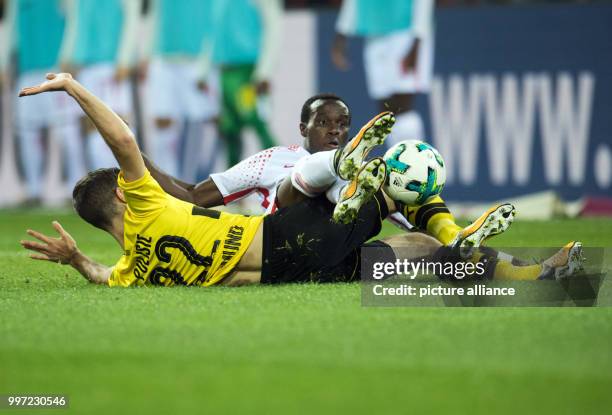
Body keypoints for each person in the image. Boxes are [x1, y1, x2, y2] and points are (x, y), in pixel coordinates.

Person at [19, 74, 582, 286]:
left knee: (418, 250)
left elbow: (102, 274)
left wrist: (75, 261)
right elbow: (125, 142)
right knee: (401, 173)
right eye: (329, 125)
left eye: (343, 125)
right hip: (287, 233)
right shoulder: (147, 201)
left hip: (290, 273)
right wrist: (72, 86)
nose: (335, 127)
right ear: (123, 191)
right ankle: (372, 185)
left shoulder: (131, 271)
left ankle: (524, 275)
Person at [1, 0, 83, 203]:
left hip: (55, 68)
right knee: (27, 130)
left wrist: (69, 55)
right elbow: (11, 27)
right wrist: (3, 64)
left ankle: (76, 186)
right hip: (26, 69)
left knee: (66, 129)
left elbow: (74, 20)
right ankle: (33, 190)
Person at [332, 0, 434, 147]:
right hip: (373, 30)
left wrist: (418, 39)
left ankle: (418, 161)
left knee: (403, 103)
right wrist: (341, 33)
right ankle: (397, 164)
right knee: (386, 109)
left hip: (406, 31)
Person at [198, 0, 282, 168]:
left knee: (257, 123)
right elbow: (211, 30)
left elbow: (274, 27)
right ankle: (231, 185)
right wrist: (203, 70)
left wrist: (264, 72)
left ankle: (285, 173)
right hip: (224, 73)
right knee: (229, 128)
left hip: (247, 75)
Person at [59, 0, 141, 170]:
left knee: (119, 127)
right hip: (85, 64)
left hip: (111, 65)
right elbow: (75, 19)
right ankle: (104, 185)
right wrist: (67, 55)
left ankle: (124, 184)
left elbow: (132, 18)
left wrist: (125, 59)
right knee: (91, 127)